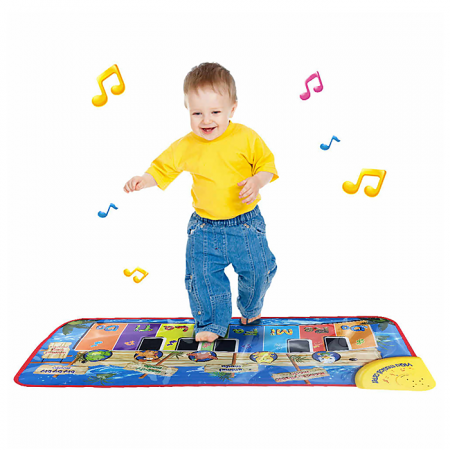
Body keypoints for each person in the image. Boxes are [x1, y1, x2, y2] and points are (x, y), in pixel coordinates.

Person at [123, 62, 278, 343]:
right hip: (205, 229)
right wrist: (144, 179)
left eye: (215, 112)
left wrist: (257, 181)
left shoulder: (246, 137)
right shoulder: (187, 145)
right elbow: (163, 167)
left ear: (232, 109)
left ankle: (250, 307)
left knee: (259, 271)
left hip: (245, 224)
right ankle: (211, 322)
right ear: (188, 110)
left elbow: (266, 165)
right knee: (203, 278)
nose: (206, 120)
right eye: (197, 113)